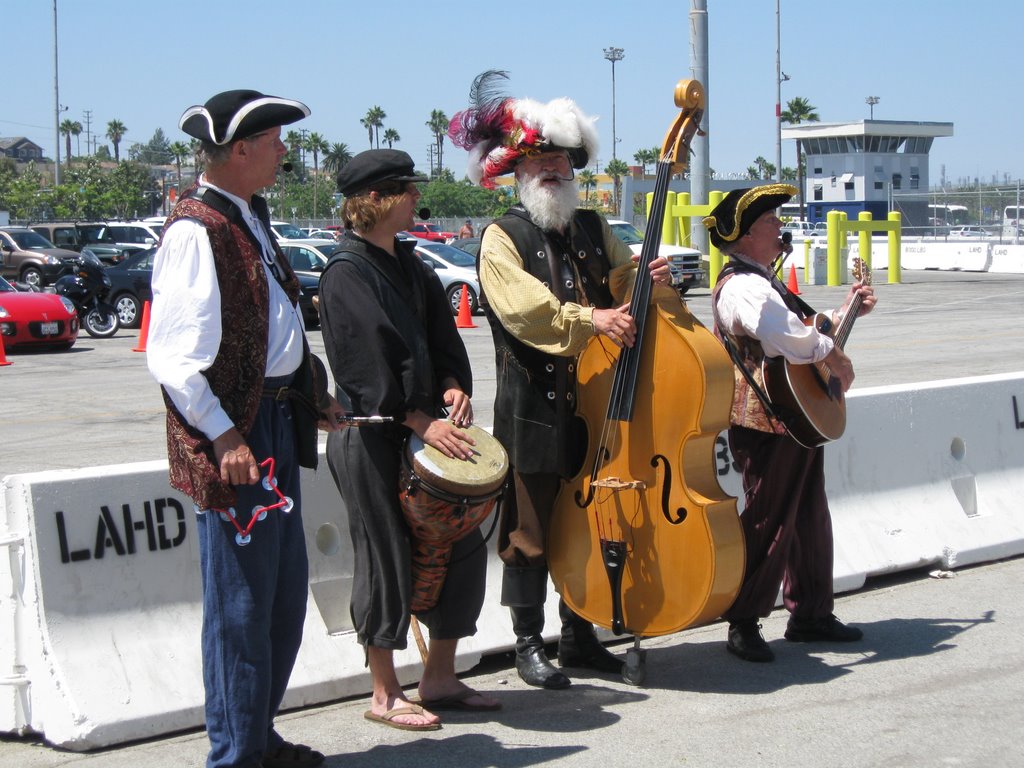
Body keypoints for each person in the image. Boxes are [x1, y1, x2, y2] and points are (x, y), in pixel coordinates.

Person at [448, 71, 674, 689]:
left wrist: (645, 279)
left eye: (559, 160)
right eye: (539, 159)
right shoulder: (502, 237)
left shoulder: (594, 228)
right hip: (534, 410)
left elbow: (626, 285)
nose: (551, 168)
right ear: (518, 172)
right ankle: (527, 641)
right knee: (529, 533)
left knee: (596, 518)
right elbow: (526, 312)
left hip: (603, 407)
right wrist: (593, 318)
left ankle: (579, 633)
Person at [147, 90, 344, 768]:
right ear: (239, 150)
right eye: (275, 140)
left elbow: (274, 322)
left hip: (276, 420)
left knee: (281, 598)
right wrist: (225, 436)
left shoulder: (248, 217)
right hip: (240, 433)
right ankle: (235, 754)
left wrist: (311, 396)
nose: (285, 150)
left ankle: (257, 738)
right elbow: (171, 358)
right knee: (240, 605)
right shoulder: (196, 230)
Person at [318, 148, 500, 731]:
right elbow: (364, 366)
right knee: (385, 554)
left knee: (464, 542)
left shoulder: (413, 265)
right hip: (370, 436)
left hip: (428, 427)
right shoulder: (346, 271)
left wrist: (451, 386)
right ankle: (383, 690)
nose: (417, 196)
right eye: (405, 188)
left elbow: (442, 340)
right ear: (371, 200)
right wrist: (422, 422)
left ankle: (440, 676)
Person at [703, 184, 877, 663]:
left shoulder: (764, 280)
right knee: (769, 517)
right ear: (744, 236)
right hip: (765, 422)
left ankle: (811, 613)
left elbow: (806, 332)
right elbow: (784, 338)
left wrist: (844, 313)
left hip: (793, 417)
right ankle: (744, 619)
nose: (780, 227)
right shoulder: (743, 286)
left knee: (807, 516)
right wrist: (832, 353)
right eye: (770, 222)